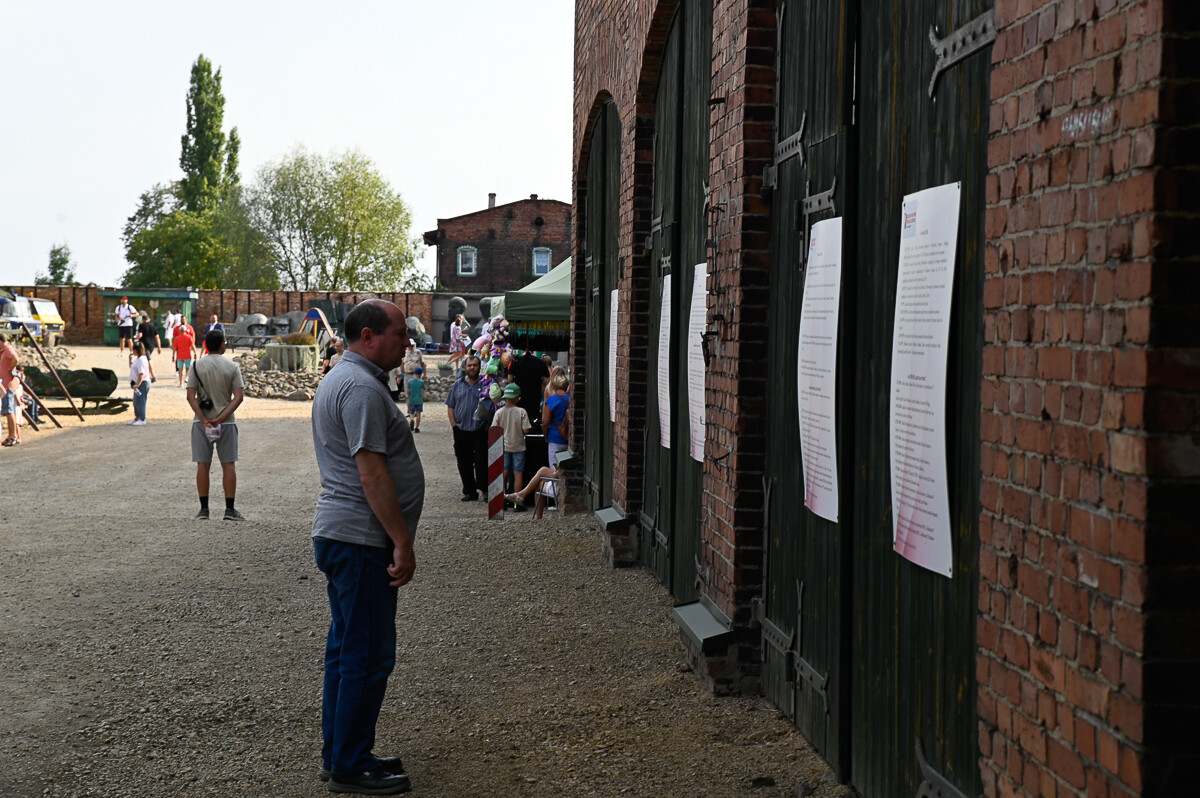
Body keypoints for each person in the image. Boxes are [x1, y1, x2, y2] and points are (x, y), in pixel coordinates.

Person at [310, 299, 422, 795]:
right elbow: (370, 471)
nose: (407, 342)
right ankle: (350, 765)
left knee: (347, 649)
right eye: (399, 333)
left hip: (349, 535)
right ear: (369, 337)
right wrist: (401, 540)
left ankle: (341, 753)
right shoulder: (358, 387)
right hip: (361, 539)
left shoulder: (349, 379)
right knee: (367, 653)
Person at [186, 330, 246, 521]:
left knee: (203, 465)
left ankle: (204, 509)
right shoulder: (232, 366)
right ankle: (229, 509)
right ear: (222, 345)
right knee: (228, 464)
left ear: (205, 345)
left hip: (201, 422)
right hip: (226, 422)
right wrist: (220, 418)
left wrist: (204, 419)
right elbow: (238, 397)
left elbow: (190, 396)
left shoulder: (196, 366)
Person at [444, 355, 488, 501]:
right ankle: (470, 491)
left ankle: (485, 489)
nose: (472, 368)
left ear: (479, 366)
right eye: (469, 365)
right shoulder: (457, 385)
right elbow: (450, 406)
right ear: (465, 367)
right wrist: (454, 426)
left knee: (482, 461)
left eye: (475, 365)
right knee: (464, 462)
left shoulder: (486, 384)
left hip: (480, 430)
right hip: (461, 430)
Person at [492, 383, 531, 504]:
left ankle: (500, 500)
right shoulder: (521, 411)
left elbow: (494, 430)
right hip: (518, 446)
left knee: (504, 471)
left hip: (504, 446)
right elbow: (526, 430)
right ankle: (517, 502)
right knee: (518, 473)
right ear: (517, 397)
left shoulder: (499, 412)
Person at [507, 349, 551, 426]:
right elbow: (547, 378)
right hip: (535, 397)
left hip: (520, 397)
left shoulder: (515, 362)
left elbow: (510, 379)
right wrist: (542, 386)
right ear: (533, 351)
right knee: (534, 421)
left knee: (519, 420)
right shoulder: (541, 363)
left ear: (522, 350)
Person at [543, 368, 571, 462]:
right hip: (569, 440)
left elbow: (545, 422)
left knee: (554, 471)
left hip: (555, 439)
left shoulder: (552, 400)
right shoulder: (571, 400)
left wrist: (546, 435)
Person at [1, 338, 21, 446]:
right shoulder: (3, 350)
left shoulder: (8, 349)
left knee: (9, 410)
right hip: (5, 384)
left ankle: (13, 436)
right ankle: (12, 435)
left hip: (8, 385)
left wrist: (10, 369)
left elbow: (15, 359)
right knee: (9, 410)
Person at [128, 342, 151, 426]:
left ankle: (142, 418)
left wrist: (138, 384)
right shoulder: (138, 359)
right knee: (136, 401)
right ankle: (137, 417)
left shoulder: (142, 359)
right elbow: (133, 368)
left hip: (142, 382)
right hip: (137, 383)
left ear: (136, 350)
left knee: (141, 401)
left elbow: (141, 373)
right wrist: (130, 360)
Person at [135, 312, 161, 381]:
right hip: (152, 345)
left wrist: (135, 338)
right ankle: (145, 375)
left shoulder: (141, 325)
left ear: (142, 320)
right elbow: (157, 337)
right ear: (148, 319)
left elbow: (140, 335)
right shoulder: (153, 326)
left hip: (144, 345)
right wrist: (159, 347)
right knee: (145, 360)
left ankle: (153, 376)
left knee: (148, 360)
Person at [172, 322, 197, 387]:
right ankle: (186, 377)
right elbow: (193, 345)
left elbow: (174, 348)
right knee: (188, 368)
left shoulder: (177, 338)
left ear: (180, 330)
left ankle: (181, 383)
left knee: (180, 370)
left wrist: (173, 356)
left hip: (179, 356)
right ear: (186, 330)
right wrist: (195, 353)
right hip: (187, 355)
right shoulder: (189, 337)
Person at [406, 366, 425, 433]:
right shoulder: (421, 382)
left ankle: (411, 420)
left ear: (414, 373)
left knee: (411, 413)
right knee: (418, 413)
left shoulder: (410, 381)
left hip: (412, 399)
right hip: (419, 400)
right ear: (420, 374)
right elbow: (424, 388)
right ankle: (417, 428)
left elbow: (408, 391)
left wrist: (409, 396)